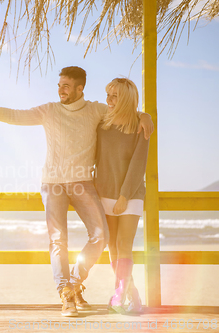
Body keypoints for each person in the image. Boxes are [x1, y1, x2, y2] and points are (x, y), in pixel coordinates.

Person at [0, 66, 154, 317]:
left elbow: (126, 110)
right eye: (59, 85)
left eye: (66, 86)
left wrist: (145, 115)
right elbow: (15, 116)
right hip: (53, 184)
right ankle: (67, 293)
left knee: (100, 237)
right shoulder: (48, 110)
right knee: (58, 240)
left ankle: (74, 282)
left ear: (80, 88)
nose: (60, 89)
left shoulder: (96, 110)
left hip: (83, 183)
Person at [94, 78, 150, 315]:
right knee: (112, 247)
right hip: (104, 192)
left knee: (123, 245)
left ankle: (119, 294)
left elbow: (139, 162)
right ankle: (133, 296)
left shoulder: (140, 124)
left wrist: (125, 196)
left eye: (115, 96)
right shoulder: (101, 123)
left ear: (126, 98)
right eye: (108, 94)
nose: (109, 100)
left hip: (131, 193)